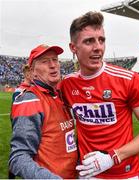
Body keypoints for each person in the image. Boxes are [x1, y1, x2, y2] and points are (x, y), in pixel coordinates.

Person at [60, 11, 139, 179]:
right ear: (73, 48)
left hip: (125, 174)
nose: (98, 47)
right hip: (88, 173)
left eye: (101, 40)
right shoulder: (67, 84)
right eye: (89, 41)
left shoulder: (128, 79)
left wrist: (115, 156)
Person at [9, 44, 78, 179]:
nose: (52, 65)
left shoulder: (59, 94)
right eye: (45, 61)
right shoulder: (30, 100)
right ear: (33, 71)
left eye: (55, 60)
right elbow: (18, 158)